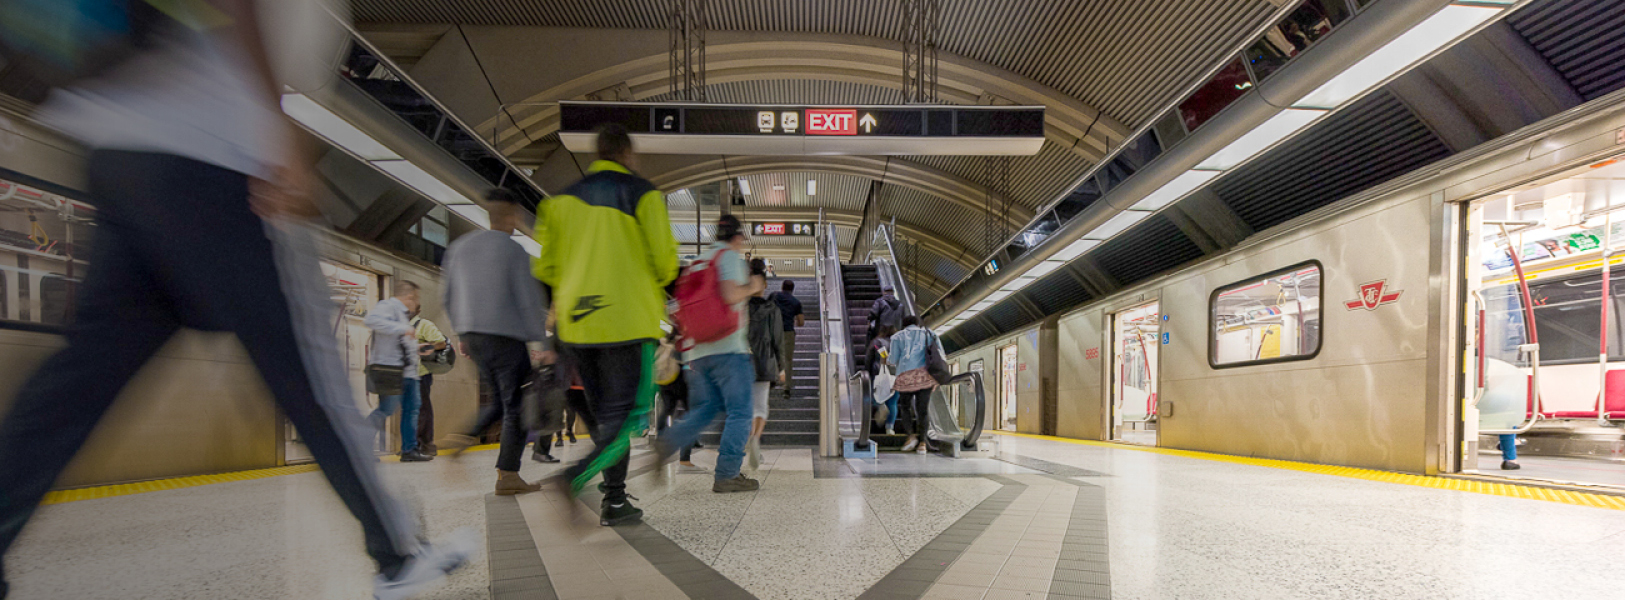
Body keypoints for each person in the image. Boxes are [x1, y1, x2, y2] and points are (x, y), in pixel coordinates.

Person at [0, 1, 474, 597]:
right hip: (216, 163)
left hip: (119, 152)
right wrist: (276, 131)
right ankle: (398, 553)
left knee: (72, 388)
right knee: (312, 378)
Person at [534, 124, 679, 526]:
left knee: (603, 419)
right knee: (626, 418)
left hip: (577, 328)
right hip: (626, 323)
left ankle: (615, 500)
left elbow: (546, 267)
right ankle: (571, 477)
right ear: (628, 155)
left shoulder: (560, 201)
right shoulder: (642, 194)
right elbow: (665, 264)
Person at [436, 190, 553, 494]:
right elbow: (528, 302)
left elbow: (447, 297)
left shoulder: (459, 248)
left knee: (501, 401)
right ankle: (507, 473)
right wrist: (542, 344)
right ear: (512, 215)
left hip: (475, 337)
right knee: (516, 405)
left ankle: (466, 438)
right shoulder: (514, 252)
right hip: (506, 339)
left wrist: (463, 334)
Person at [658, 215, 764, 493]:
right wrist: (754, 285)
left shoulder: (698, 260)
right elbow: (730, 295)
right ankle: (727, 474)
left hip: (696, 353)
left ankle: (668, 442)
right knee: (741, 412)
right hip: (729, 349)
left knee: (706, 408)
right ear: (737, 237)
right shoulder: (728, 257)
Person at [366, 281, 430, 462]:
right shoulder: (387, 306)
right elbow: (371, 321)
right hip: (391, 371)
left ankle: (409, 450)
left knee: (412, 410)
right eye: (416, 298)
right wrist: (403, 329)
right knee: (386, 409)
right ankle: (360, 446)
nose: (416, 303)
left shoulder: (402, 315)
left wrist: (418, 347)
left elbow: (398, 341)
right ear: (410, 297)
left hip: (409, 372)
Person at [746, 258, 785, 469]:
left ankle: (743, 441)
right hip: (764, 362)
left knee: (742, 408)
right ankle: (756, 437)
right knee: (761, 407)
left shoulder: (739, 307)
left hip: (740, 361)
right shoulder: (772, 309)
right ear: (765, 285)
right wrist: (782, 368)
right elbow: (778, 340)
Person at [888, 316, 945, 454]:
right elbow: (941, 355)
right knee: (923, 411)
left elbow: (892, 359)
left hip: (905, 377)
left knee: (905, 408)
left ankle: (911, 436)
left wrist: (887, 359)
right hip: (925, 377)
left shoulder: (897, 337)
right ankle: (922, 444)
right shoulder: (930, 334)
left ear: (904, 324)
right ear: (917, 324)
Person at [411, 310, 448, 454]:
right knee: (411, 410)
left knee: (422, 409)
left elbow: (441, 343)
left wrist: (422, 348)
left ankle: (425, 444)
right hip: (404, 373)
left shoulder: (423, 324)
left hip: (421, 373)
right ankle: (413, 444)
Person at [767, 280, 804, 398]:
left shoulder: (773, 296)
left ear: (782, 287)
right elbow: (801, 322)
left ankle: (768, 383)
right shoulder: (796, 302)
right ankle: (786, 389)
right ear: (792, 289)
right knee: (787, 360)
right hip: (787, 332)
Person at [867, 325, 899, 435]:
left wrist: (867, 370)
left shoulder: (877, 341)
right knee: (893, 402)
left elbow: (870, 357)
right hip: (896, 375)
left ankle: (881, 406)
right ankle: (890, 427)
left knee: (877, 395)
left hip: (879, 373)